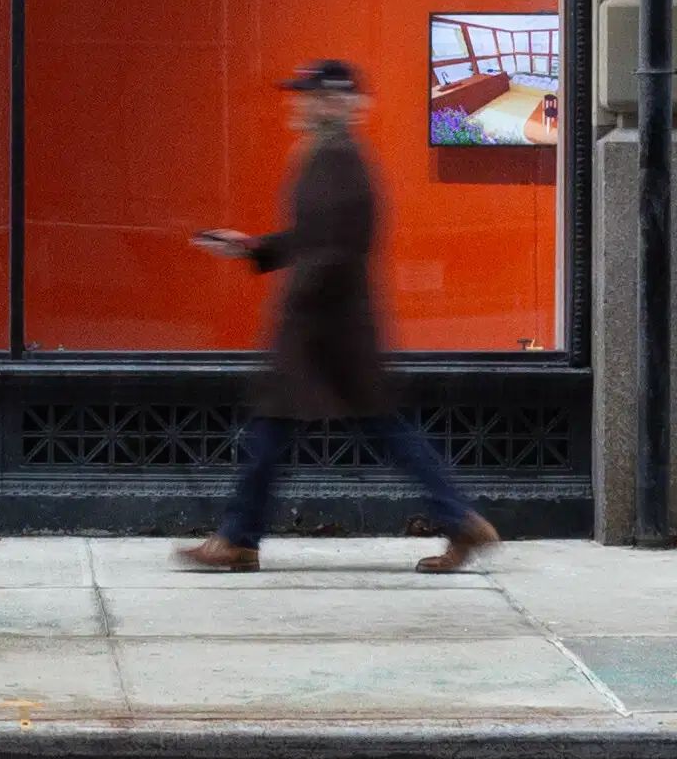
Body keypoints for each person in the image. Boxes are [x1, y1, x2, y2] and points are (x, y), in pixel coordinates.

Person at [174, 60, 498, 575]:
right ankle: (459, 520)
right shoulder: (325, 154)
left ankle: (238, 537)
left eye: (308, 95)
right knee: (352, 429)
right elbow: (312, 238)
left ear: (336, 102)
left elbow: (336, 249)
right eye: (299, 95)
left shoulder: (340, 158)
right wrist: (254, 247)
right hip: (331, 327)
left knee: (288, 429)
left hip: (324, 327)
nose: (298, 104)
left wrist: (296, 303)